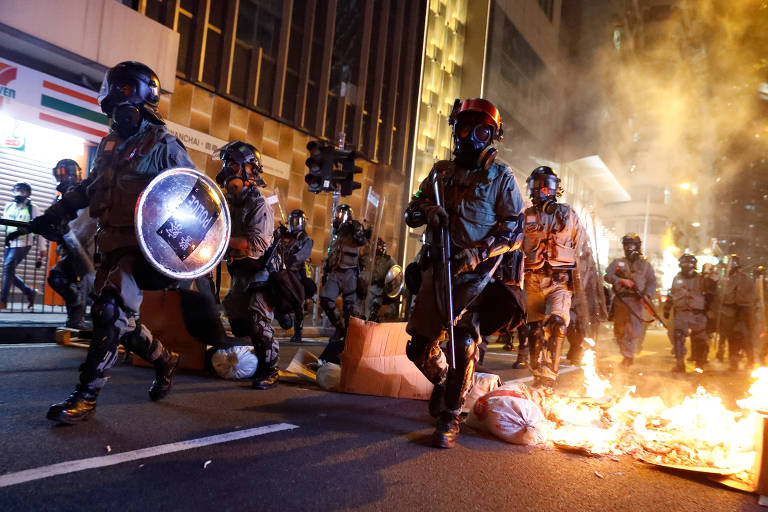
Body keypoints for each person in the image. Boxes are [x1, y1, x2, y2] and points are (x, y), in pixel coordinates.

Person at [30, 61, 194, 424]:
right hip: (109, 243)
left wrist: (178, 256)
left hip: (139, 248)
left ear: (135, 104)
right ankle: (165, 360)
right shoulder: (110, 145)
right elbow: (91, 188)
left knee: (108, 311)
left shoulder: (164, 145)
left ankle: (86, 396)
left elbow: (193, 197)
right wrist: (57, 212)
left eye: (118, 108)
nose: (113, 117)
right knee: (122, 321)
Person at [404, 97, 525, 448]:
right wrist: (429, 210)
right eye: (465, 128)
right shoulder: (439, 173)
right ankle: (444, 383)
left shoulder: (502, 177)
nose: (472, 137)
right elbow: (411, 211)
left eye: (482, 130)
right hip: (437, 269)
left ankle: (451, 415)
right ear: (455, 131)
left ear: (493, 136)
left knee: (464, 341)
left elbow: (514, 231)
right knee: (419, 348)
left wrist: (477, 254)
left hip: (476, 276)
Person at [216, 140, 280, 389]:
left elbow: (256, 243)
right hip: (242, 270)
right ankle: (255, 354)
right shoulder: (231, 203)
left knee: (257, 318)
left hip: (262, 271)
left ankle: (270, 369)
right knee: (235, 316)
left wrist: (222, 240)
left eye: (231, 164)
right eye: (226, 164)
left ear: (247, 170)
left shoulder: (258, 204)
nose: (227, 170)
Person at [520, 166, 587, 387]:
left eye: (545, 185)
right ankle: (535, 370)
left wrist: (581, 284)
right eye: (537, 185)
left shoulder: (569, 214)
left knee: (558, 325)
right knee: (534, 329)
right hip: (531, 280)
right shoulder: (525, 215)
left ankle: (549, 377)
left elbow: (582, 248)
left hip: (559, 281)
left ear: (555, 188)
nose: (541, 190)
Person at [46, 159, 97, 329]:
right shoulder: (60, 201)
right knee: (60, 279)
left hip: (87, 248)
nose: (63, 178)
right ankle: (75, 319)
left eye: (65, 173)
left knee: (87, 284)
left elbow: (88, 222)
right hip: (71, 248)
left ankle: (82, 319)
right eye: (59, 175)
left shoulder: (85, 195)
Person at [319, 204, 370, 362]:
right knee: (326, 301)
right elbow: (332, 251)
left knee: (350, 309)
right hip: (335, 272)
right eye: (339, 214)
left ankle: (347, 340)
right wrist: (326, 270)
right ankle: (338, 327)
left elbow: (361, 241)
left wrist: (362, 233)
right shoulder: (336, 231)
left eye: (343, 215)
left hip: (349, 272)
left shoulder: (354, 228)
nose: (340, 217)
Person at [604, 233, 657, 368]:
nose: (629, 248)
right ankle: (626, 352)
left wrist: (647, 295)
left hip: (636, 302)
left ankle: (628, 356)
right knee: (619, 331)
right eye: (626, 245)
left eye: (632, 245)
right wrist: (620, 280)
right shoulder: (617, 262)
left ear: (638, 246)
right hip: (620, 301)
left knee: (633, 331)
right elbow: (607, 275)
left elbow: (652, 282)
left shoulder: (645, 265)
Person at [663, 253, 715, 372]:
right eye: (684, 263)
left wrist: (710, 312)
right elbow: (671, 294)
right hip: (681, 312)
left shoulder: (702, 279)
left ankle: (700, 362)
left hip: (698, 313)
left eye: (689, 263)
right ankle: (680, 363)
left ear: (694, 265)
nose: (687, 266)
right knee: (678, 337)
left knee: (700, 339)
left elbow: (711, 294)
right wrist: (667, 307)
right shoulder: (677, 278)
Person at [1, 182, 46, 310]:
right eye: (17, 190)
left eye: (23, 191)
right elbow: (4, 225)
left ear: (28, 193)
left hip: (23, 243)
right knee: (8, 272)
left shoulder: (33, 208)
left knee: (8, 268)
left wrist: (42, 248)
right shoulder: (9, 206)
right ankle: (29, 292)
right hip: (9, 243)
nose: (19, 193)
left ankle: (2, 301)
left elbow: (39, 229)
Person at [276, 209, 314, 343]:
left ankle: (298, 332)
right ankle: (281, 315)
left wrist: (291, 260)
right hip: (282, 271)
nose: (295, 225)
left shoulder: (306, 240)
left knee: (298, 300)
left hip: (297, 272)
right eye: (293, 222)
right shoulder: (287, 237)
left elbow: (302, 255)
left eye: (298, 222)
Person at [718, 254, 757, 370]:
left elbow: (747, 297)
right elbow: (720, 296)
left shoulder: (745, 279)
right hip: (729, 313)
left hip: (743, 312)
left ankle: (751, 361)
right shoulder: (724, 279)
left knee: (745, 337)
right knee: (731, 338)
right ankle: (733, 363)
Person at [365, 238, 398, 322]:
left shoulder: (389, 260)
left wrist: (389, 285)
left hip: (382, 291)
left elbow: (396, 273)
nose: (376, 258)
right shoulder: (367, 259)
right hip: (368, 289)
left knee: (377, 308)